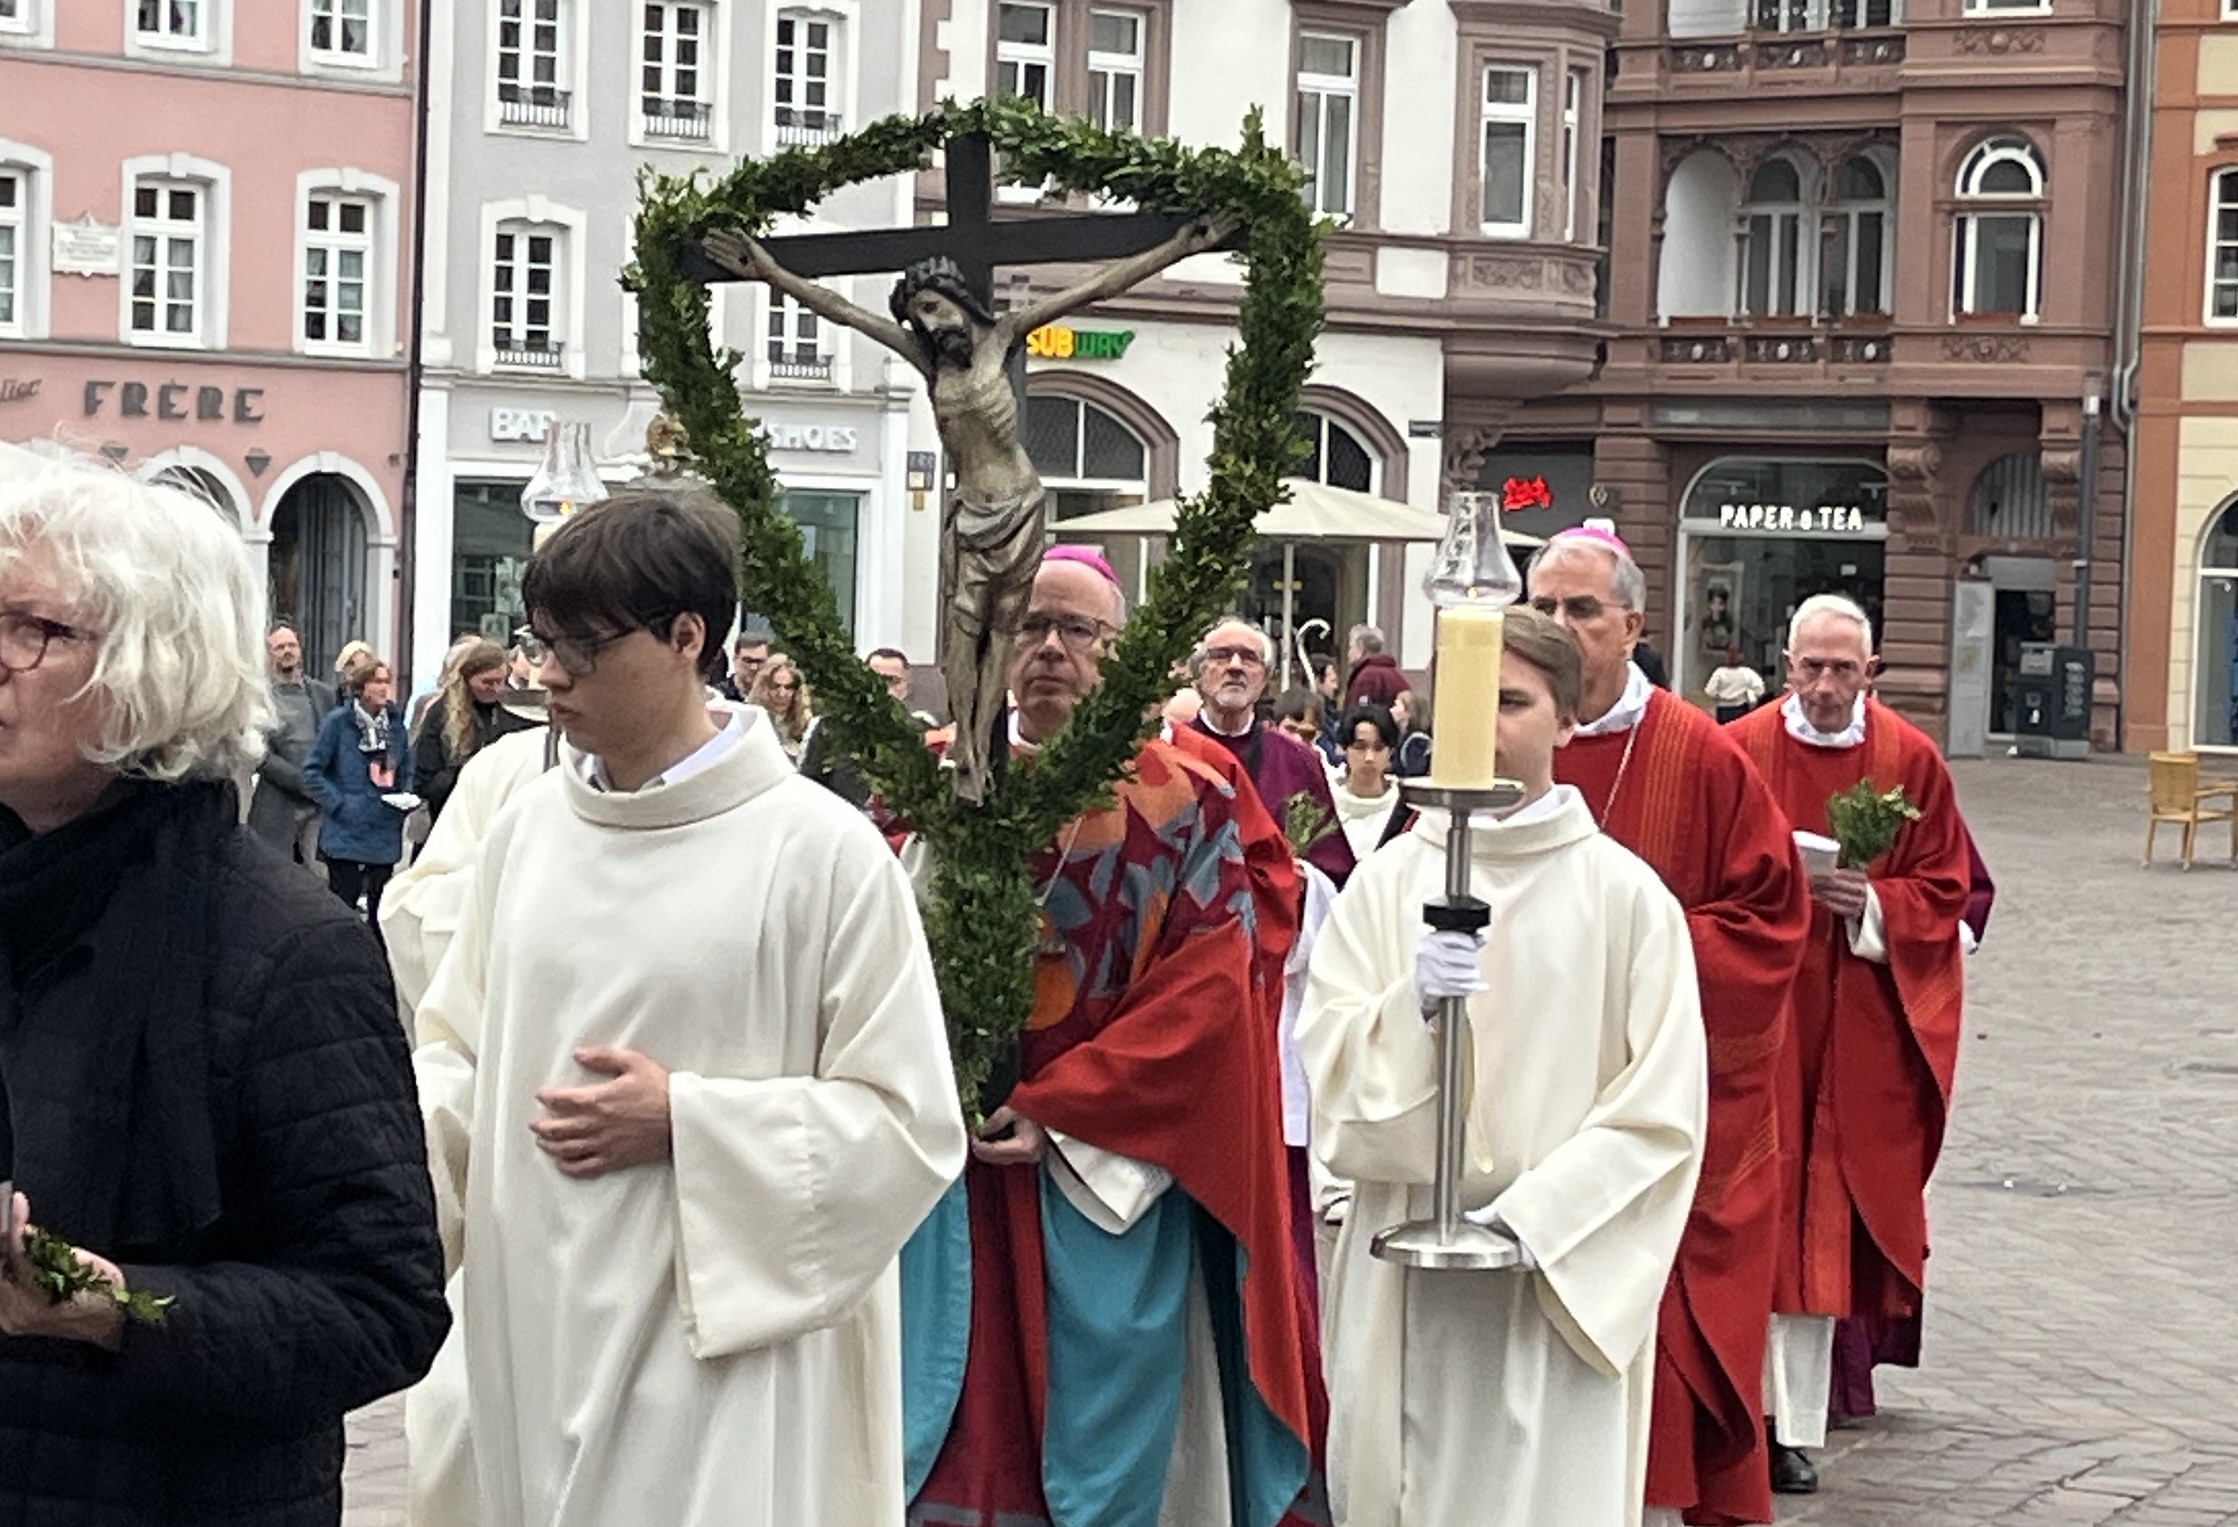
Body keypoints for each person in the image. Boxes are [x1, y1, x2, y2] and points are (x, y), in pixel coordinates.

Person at [410, 490, 967, 1527]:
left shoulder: (821, 854)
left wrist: (691, 1122)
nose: (548, 672)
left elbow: (909, 1128)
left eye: (583, 644)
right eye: (541, 640)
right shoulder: (527, 833)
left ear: (686, 638)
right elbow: (458, 1056)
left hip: (720, 1360)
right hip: (529, 1328)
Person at [0, 449, 448, 1524]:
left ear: (155, 669)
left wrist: (108, 1307)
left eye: (39, 630)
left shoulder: (284, 948)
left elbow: (381, 1309)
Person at [904, 548, 1321, 1527]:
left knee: (1099, 1450)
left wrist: (1062, 1109)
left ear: (1120, 652)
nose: (1049, 648)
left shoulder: (1185, 796)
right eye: (1029, 626)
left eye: (1076, 630)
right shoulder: (921, 781)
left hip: (1099, 1162)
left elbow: (1211, 989)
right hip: (937, 1164)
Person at [1296, 606, 1708, 1527]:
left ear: (1569, 719)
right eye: (1468, 704)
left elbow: (1663, 1116)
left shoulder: (1630, 901)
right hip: (1404, 1278)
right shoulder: (1390, 885)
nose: (1484, 727)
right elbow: (1329, 1075)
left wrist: (1530, 1222)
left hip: (1547, 1292)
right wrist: (1413, 1011)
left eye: (1513, 702)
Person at [703, 215, 1233, 803]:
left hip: (1019, 507)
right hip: (970, 512)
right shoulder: (928, 362)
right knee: (963, 637)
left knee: (1002, 635)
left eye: (934, 307)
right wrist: (769, 271)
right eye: (918, 316)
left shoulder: (1003, 335)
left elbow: (1097, 286)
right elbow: (841, 310)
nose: (929, 324)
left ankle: (979, 756)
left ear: (957, 299)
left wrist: (1180, 248)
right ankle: (971, 748)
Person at [1527, 525, 1813, 1527]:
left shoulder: (1699, 753)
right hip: (1525, 1109)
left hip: (1664, 1106)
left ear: (1634, 625)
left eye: (1581, 610)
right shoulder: (1504, 742)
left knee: (1662, 1359)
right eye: (1542, 607)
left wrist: (1631, 943)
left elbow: (1770, 926)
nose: (1556, 627)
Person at [1727, 595, 1970, 1497]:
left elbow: (1947, 887)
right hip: (1757, 1014)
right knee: (1743, 1211)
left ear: (1871, 672)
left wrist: (1872, 905)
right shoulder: (1740, 747)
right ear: (1784, 663)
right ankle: (1733, 1414)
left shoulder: (1910, 758)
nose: (1825, 686)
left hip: (1856, 1023)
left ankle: (1790, 1427)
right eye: (1810, 667)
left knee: (1814, 1233)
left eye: (1843, 670)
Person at [1193, 616, 1356, 888]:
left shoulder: (1298, 761)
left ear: (1265, 678)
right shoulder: (1169, 750)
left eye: (1249, 658)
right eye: (1221, 656)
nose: (1235, 666)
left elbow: (1334, 867)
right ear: (1199, 674)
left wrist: (1303, 875)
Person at [305, 652, 412, 934]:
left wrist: (406, 798)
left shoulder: (397, 726)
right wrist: (338, 804)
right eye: (376, 682)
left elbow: (406, 770)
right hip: (345, 832)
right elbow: (313, 771)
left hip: (384, 828)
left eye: (386, 681)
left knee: (381, 912)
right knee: (343, 909)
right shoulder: (338, 723)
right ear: (360, 688)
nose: (382, 688)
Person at [411, 638, 539, 824]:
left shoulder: (513, 711)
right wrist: (463, 770)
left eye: (500, 681)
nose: (495, 689)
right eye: (487, 682)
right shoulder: (442, 714)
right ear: (468, 679)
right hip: (453, 815)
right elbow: (423, 781)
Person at [246, 621, 337, 867]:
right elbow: (258, 753)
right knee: (274, 876)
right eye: (279, 647)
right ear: (268, 654)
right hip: (277, 805)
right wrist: (300, 781)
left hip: (318, 807)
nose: (287, 651)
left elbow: (335, 742)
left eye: (292, 645)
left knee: (319, 879)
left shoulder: (324, 694)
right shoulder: (258, 697)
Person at [800, 646, 937, 809]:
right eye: (874, 680)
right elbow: (809, 787)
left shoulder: (923, 732)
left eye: (893, 681)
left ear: (907, 686)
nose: (884, 689)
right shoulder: (831, 729)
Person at [1332, 702, 1403, 861]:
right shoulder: (1325, 805)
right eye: (1360, 747)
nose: (1369, 757)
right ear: (1344, 749)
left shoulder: (1404, 809)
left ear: (1390, 752)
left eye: (1378, 748)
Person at [748, 652, 813, 763]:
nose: (781, 694)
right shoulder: (750, 721)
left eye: (788, 687)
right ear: (763, 688)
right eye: (775, 686)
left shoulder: (807, 725)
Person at [1342, 623, 1408, 711]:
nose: (1348, 654)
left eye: (1350, 647)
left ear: (1361, 647)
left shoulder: (1367, 677)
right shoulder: (1393, 674)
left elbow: (1358, 713)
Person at [1706, 647, 1768, 724]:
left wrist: (1719, 697)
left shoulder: (1719, 672)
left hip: (1723, 708)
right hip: (1741, 707)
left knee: (1724, 733)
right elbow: (1760, 689)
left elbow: (1710, 691)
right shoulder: (1747, 673)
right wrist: (1749, 695)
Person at [719, 630, 771, 702]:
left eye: (759, 661)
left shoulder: (775, 696)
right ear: (735, 658)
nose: (753, 667)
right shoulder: (718, 695)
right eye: (748, 661)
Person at [1391, 688, 1432, 778]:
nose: (1391, 710)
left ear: (1409, 711)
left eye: (1395, 705)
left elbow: (1415, 773)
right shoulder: (1404, 738)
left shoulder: (1417, 741)